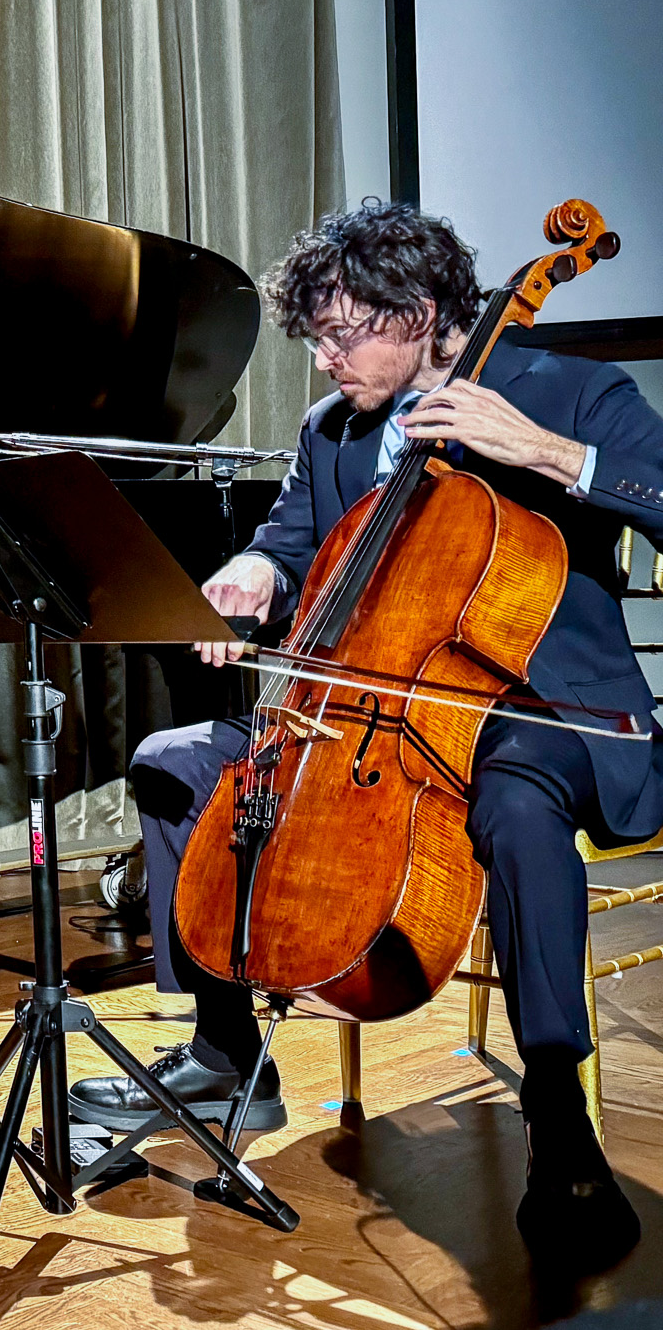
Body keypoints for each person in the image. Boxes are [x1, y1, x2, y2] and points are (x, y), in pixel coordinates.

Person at [68, 200, 659, 1273]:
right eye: (317, 339)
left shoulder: (569, 389)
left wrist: (548, 455)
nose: (326, 359)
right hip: (365, 714)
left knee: (519, 810)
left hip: (542, 708)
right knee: (169, 770)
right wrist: (254, 572)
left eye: (343, 334)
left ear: (419, 313)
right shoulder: (331, 432)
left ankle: (555, 1107)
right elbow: (290, 538)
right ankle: (221, 1050)